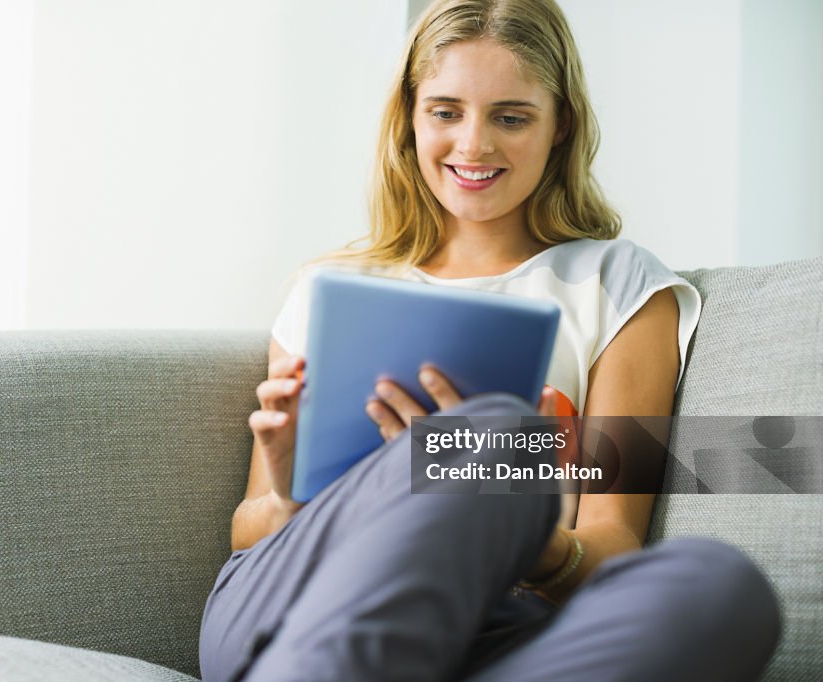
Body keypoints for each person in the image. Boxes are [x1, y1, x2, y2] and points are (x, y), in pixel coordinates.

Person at [199, 0, 782, 680]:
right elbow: (250, 526)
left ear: (560, 125)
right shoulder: (330, 287)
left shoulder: (618, 287)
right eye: (446, 112)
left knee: (720, 587)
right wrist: (293, 501)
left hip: (500, 625)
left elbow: (612, 542)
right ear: (411, 116)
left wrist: (510, 519)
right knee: (493, 428)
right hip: (297, 598)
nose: (473, 145)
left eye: (510, 116)